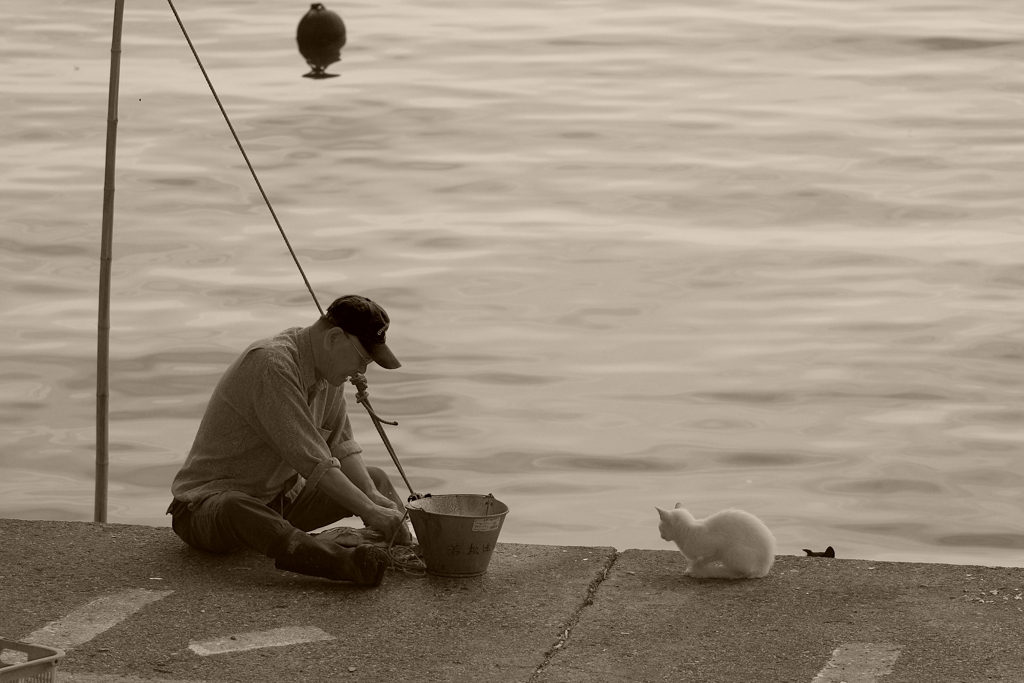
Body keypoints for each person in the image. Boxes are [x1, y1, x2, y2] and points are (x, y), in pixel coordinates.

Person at [167, 294, 410, 586]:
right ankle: (341, 562)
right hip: (207, 511)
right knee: (236, 505)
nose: (362, 371)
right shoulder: (272, 364)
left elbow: (342, 447)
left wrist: (373, 499)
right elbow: (316, 463)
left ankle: (405, 549)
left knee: (375, 480)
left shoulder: (330, 375)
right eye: (362, 359)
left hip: (281, 502)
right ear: (333, 337)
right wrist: (368, 511)